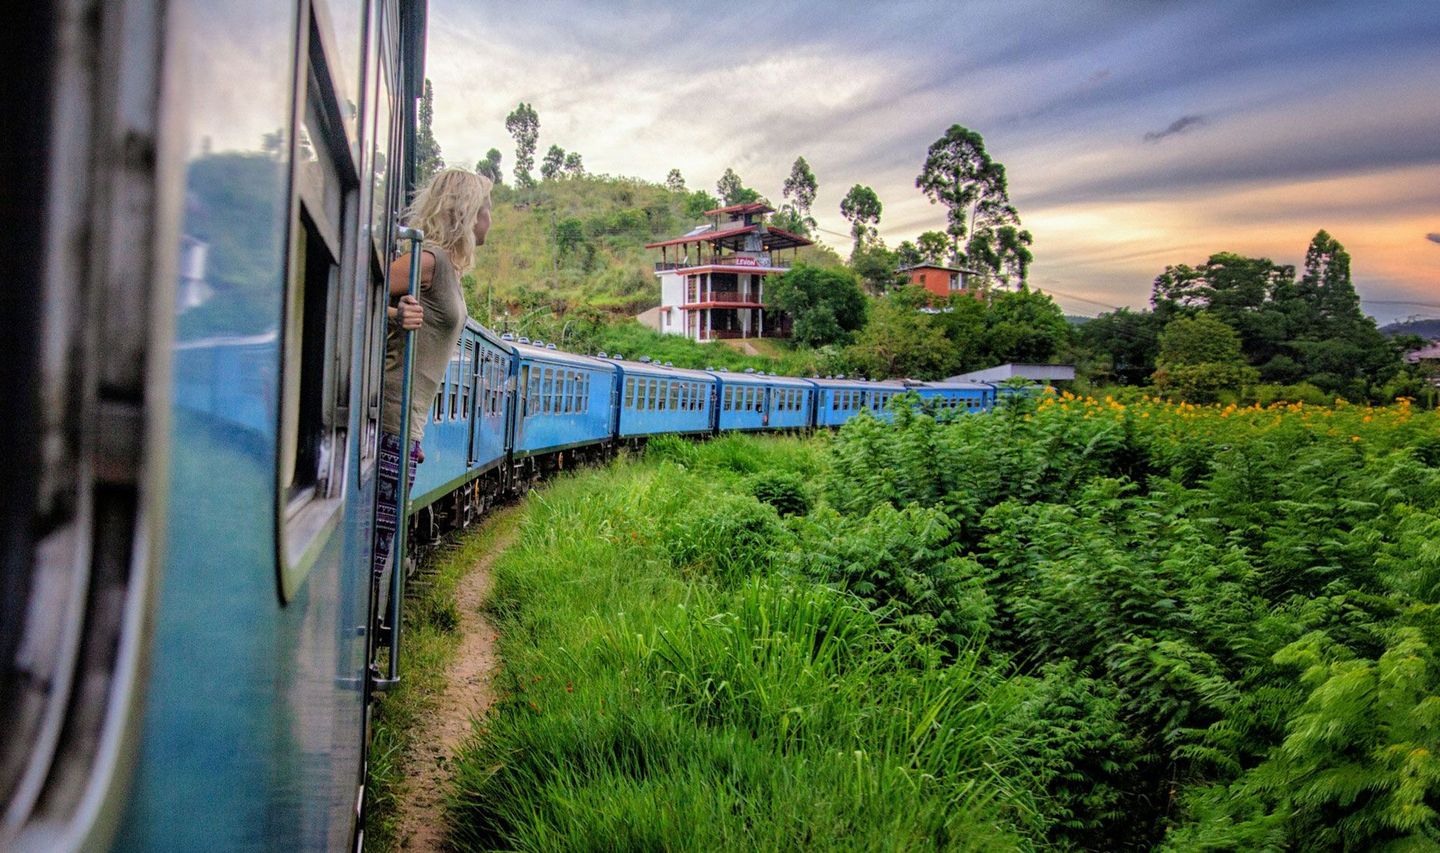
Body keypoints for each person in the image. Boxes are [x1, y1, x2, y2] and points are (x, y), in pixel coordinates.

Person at [373, 167, 493, 578]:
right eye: (486, 209)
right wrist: (394, 313)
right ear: (467, 211)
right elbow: (356, 288)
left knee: (382, 541)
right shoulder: (430, 260)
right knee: (375, 547)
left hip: (408, 423)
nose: (490, 220)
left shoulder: (449, 271)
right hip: (392, 415)